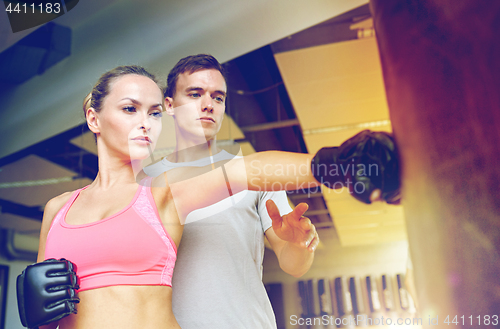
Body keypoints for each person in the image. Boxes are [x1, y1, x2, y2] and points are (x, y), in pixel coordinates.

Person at [17, 63, 399, 329]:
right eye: (130, 109)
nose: (144, 123)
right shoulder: (58, 209)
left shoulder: (160, 197)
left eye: (152, 113)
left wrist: (337, 165)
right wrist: (36, 316)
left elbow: (244, 172)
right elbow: (48, 321)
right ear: (94, 118)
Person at [143, 54, 318, 328]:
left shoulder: (254, 176)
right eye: (195, 94)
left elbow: (294, 265)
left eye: (218, 97)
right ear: (170, 105)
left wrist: (298, 245)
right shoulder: (145, 183)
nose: (208, 105)